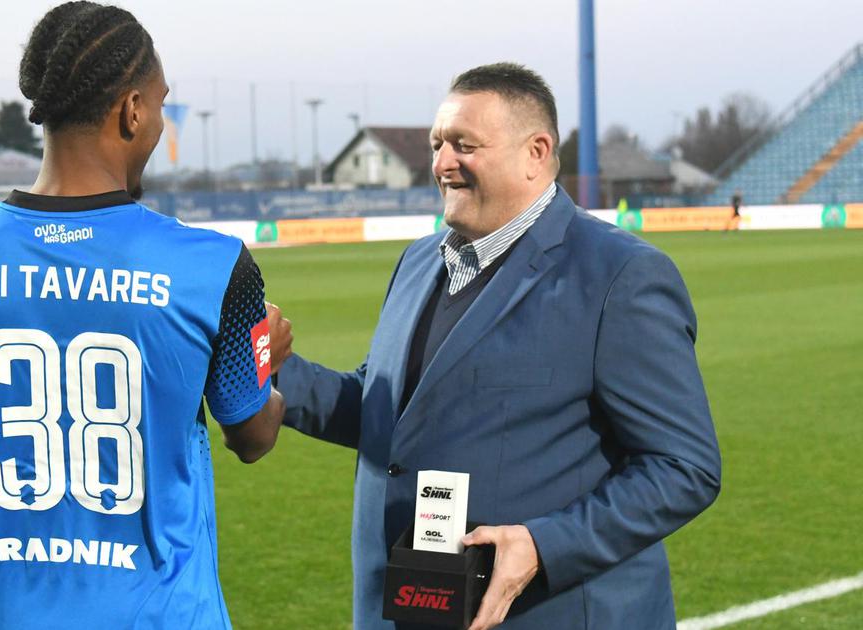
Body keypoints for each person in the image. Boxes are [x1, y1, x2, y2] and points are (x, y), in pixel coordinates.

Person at [0, 3, 292, 628]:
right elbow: (253, 436)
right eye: (160, 104)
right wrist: (270, 360)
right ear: (133, 110)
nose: (159, 121)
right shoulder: (215, 268)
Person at [275, 63, 721, 630]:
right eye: (437, 145)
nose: (441, 163)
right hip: (412, 608)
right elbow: (383, 411)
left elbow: (684, 466)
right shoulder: (419, 261)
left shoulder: (619, 276)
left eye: (464, 145)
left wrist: (543, 545)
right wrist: (270, 367)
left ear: (536, 152)